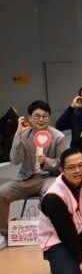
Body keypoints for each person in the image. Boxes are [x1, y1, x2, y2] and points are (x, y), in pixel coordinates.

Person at [0, 100, 67, 246]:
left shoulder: (58, 137)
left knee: (52, 194)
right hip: (26, 178)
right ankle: (6, 233)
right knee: (1, 193)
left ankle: (53, 232)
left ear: (49, 118)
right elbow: (15, 160)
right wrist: (17, 136)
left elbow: (63, 163)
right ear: (30, 118)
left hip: (49, 177)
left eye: (45, 116)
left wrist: (45, 161)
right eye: (37, 116)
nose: (41, 120)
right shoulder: (24, 135)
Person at [37, 148, 82, 274]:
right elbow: (66, 232)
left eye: (81, 165)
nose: (78, 171)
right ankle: (56, 257)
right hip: (57, 240)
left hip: (79, 229)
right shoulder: (53, 197)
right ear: (62, 170)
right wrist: (81, 260)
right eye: (71, 167)